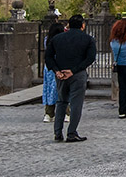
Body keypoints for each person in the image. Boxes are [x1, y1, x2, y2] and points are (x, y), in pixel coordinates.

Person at [44, 14, 96, 143]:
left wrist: (56, 70)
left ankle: (57, 132)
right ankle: (72, 132)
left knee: (61, 102)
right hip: (77, 73)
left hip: (61, 74)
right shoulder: (88, 39)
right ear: (82, 25)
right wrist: (73, 70)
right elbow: (90, 58)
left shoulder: (57, 39)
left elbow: (48, 57)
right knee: (76, 104)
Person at [41, 20, 65, 123]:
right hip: (60, 65)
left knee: (50, 90)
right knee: (62, 90)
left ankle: (49, 113)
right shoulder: (62, 40)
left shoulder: (47, 40)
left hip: (49, 67)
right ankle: (66, 113)